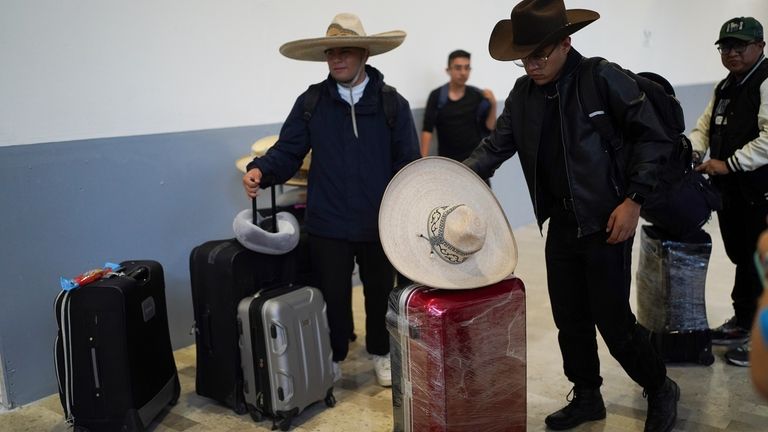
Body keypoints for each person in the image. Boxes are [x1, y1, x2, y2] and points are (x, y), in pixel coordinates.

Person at [463, 1, 679, 430]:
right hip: (560, 224)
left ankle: (659, 386)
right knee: (570, 319)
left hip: (607, 222)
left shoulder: (601, 78)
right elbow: (494, 148)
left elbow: (654, 138)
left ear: (566, 42)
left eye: (539, 55)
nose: (531, 65)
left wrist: (634, 200)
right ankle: (586, 396)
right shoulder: (523, 96)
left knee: (613, 322)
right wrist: (452, 180)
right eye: (524, 57)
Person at [241, 13, 420, 387]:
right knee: (332, 296)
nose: (337, 59)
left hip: (379, 222)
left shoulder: (392, 105)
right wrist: (262, 169)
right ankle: (335, 353)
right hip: (328, 222)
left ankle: (381, 353)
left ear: (364, 55)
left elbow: (408, 164)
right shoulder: (312, 103)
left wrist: (409, 215)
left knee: (379, 294)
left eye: (345, 52)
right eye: (331, 53)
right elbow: (288, 150)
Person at [689, 16, 768, 368]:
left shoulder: (765, 81)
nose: (732, 53)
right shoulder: (725, 86)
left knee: (764, 263)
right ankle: (743, 322)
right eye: (726, 47)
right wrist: (693, 151)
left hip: (761, 191)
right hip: (733, 194)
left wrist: (730, 163)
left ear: (760, 47)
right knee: (744, 259)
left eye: (741, 46)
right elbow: (704, 127)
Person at [420, 50, 497, 159]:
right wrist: (422, 160)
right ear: (448, 70)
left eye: (467, 68)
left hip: (476, 160)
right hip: (448, 162)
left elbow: (489, 127)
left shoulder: (477, 95)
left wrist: (493, 104)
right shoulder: (436, 96)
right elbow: (427, 129)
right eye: (458, 68)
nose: (463, 72)